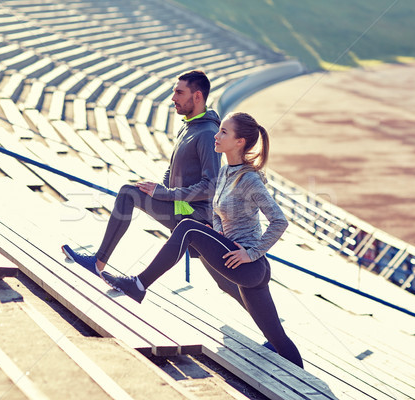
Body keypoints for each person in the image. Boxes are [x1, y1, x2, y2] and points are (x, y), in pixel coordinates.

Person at [102, 112, 304, 368]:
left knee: (189, 228)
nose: (216, 137)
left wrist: (251, 253)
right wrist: (219, 230)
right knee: (279, 341)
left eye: (223, 133)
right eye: (218, 131)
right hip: (239, 262)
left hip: (249, 265)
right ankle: (313, 389)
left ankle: (138, 285)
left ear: (240, 142)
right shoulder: (224, 173)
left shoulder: (249, 179)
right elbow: (216, 209)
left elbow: (279, 221)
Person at [62, 70, 221, 276]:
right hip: (178, 206)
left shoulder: (208, 133)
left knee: (230, 284)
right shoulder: (189, 126)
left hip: (194, 217)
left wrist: (163, 194)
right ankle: (100, 264)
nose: (173, 98)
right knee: (130, 192)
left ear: (197, 96)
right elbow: (172, 169)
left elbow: (211, 185)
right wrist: (158, 188)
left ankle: (100, 264)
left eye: (179, 93)